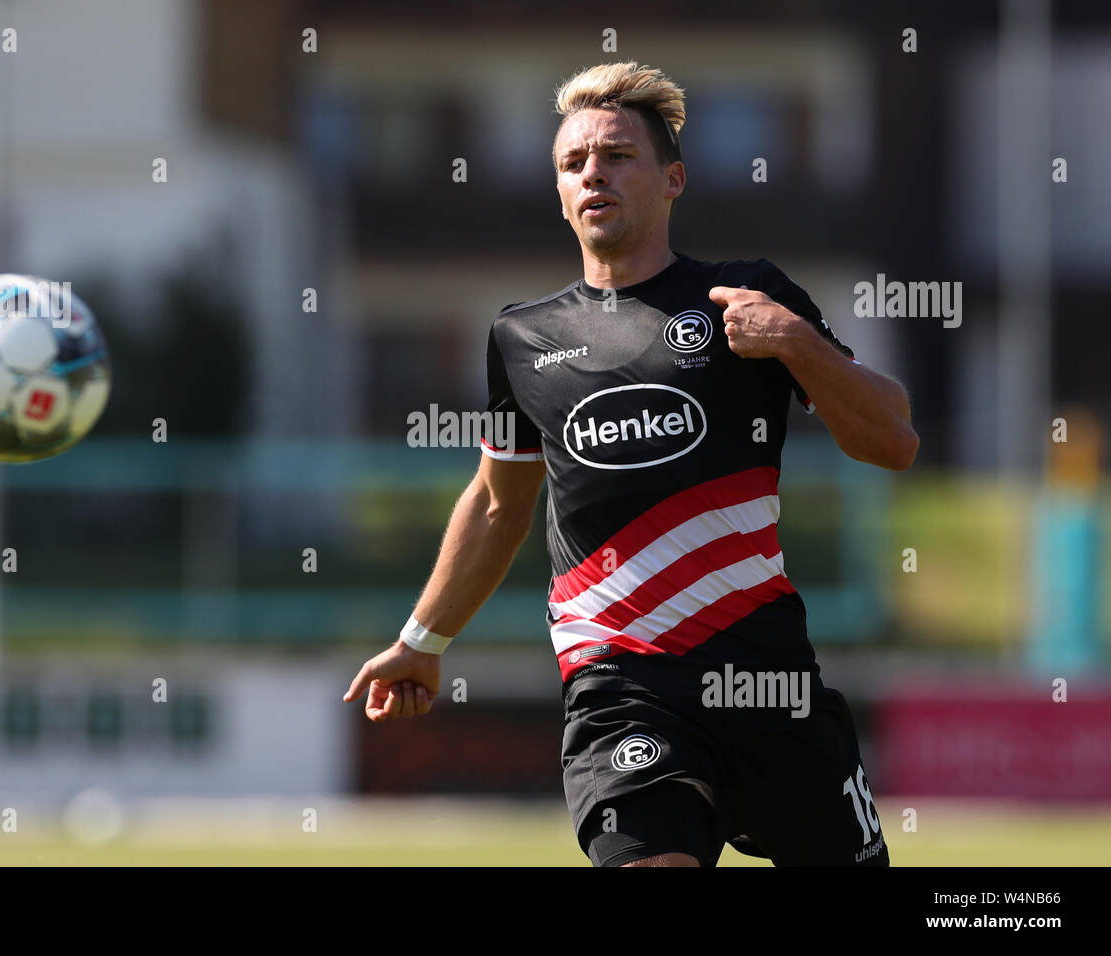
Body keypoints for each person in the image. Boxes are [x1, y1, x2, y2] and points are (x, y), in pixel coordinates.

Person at [343, 61, 917, 867]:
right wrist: (422, 640)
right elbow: (498, 503)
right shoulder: (520, 339)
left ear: (672, 178)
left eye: (616, 155)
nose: (592, 173)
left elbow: (891, 439)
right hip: (623, 688)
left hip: (768, 681)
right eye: (573, 162)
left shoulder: (744, 296)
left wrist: (794, 341)